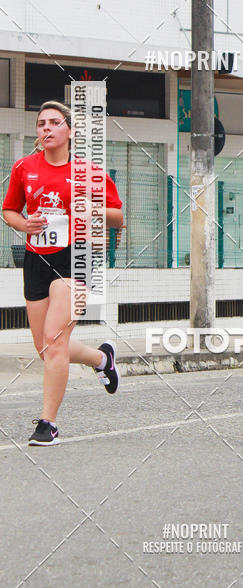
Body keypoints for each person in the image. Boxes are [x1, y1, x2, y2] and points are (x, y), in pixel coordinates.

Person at [2, 100, 123, 446]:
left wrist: (88, 208)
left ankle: (47, 423)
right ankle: (102, 358)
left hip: (77, 257)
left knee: (55, 342)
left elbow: (118, 217)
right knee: (45, 347)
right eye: (41, 124)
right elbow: (8, 209)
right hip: (36, 258)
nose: (46, 129)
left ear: (69, 131)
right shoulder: (24, 167)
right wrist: (24, 223)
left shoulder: (89, 172)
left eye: (54, 123)